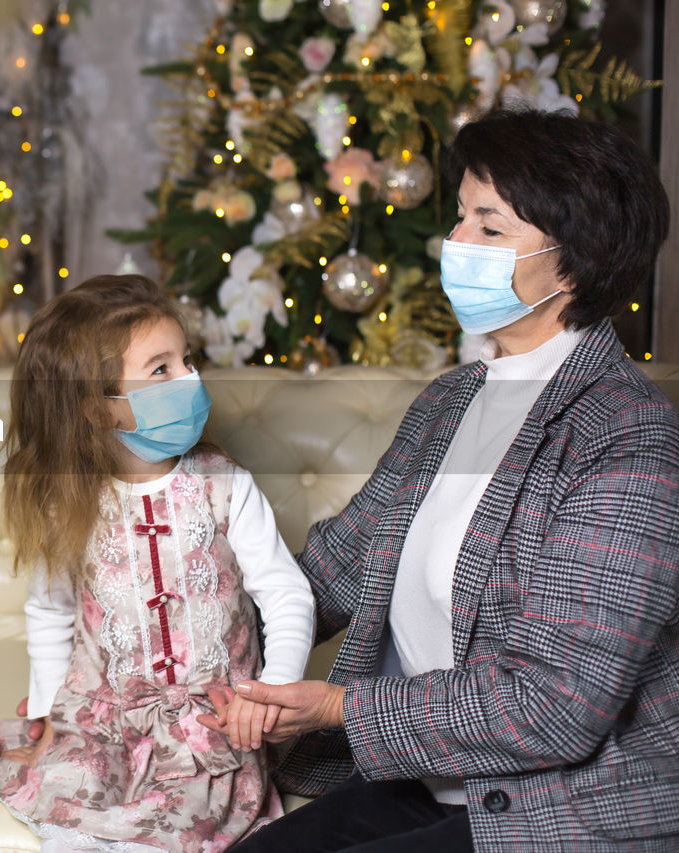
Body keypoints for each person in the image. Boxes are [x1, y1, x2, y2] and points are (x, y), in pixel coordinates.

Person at [202, 108, 679, 851]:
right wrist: (165, 647)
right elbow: (335, 568)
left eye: (490, 229)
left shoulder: (627, 435)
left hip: (560, 807)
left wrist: (337, 706)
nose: (455, 244)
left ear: (576, 261)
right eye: (460, 219)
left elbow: (555, 704)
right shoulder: (451, 401)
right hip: (429, 782)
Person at [0, 275, 317, 852]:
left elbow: (285, 592)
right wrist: (50, 713)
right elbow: (49, 613)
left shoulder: (224, 485)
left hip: (209, 726)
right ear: (97, 410)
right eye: (161, 369)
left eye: (187, 360)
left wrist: (270, 696)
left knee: (180, 828)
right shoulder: (68, 500)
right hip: (100, 721)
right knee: (71, 815)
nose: (190, 379)